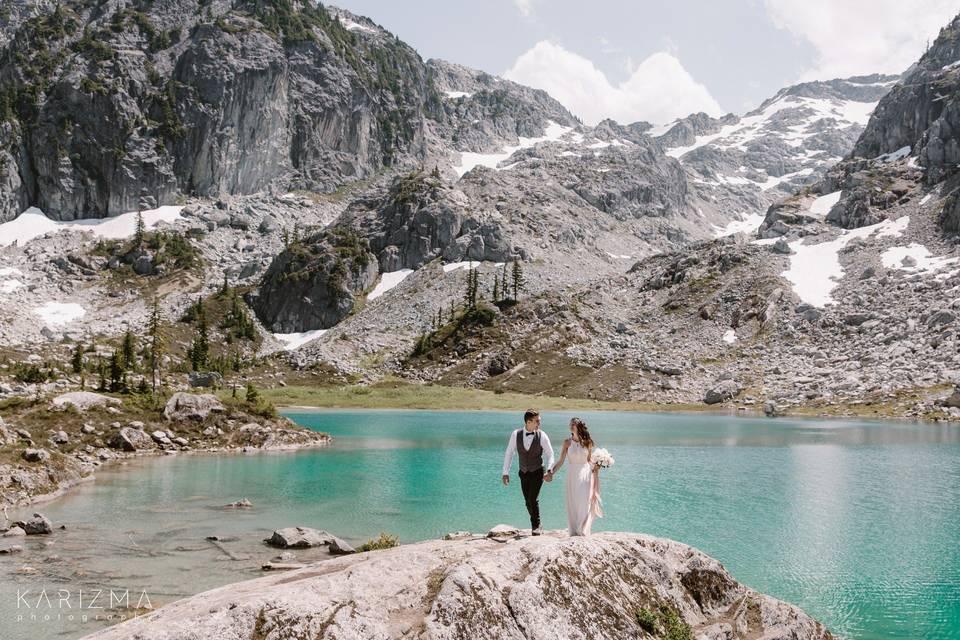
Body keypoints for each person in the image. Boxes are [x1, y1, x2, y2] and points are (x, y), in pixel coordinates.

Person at [502, 409, 555, 535]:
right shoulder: (516, 434)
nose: (539, 423)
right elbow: (509, 453)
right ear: (528, 421)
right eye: (537, 421)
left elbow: (550, 454)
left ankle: (536, 526)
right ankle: (538, 524)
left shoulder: (542, 435)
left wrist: (549, 469)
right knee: (527, 501)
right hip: (523, 472)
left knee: (532, 499)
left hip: (537, 471)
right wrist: (505, 472)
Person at [549, 417, 602, 536]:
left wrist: (598, 465)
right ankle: (574, 529)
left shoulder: (587, 442)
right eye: (571, 424)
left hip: (585, 474)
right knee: (573, 502)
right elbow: (561, 461)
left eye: (574, 424)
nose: (571, 425)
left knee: (584, 501)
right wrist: (551, 472)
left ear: (579, 427)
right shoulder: (567, 442)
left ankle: (582, 529)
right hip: (572, 474)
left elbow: (589, 460)